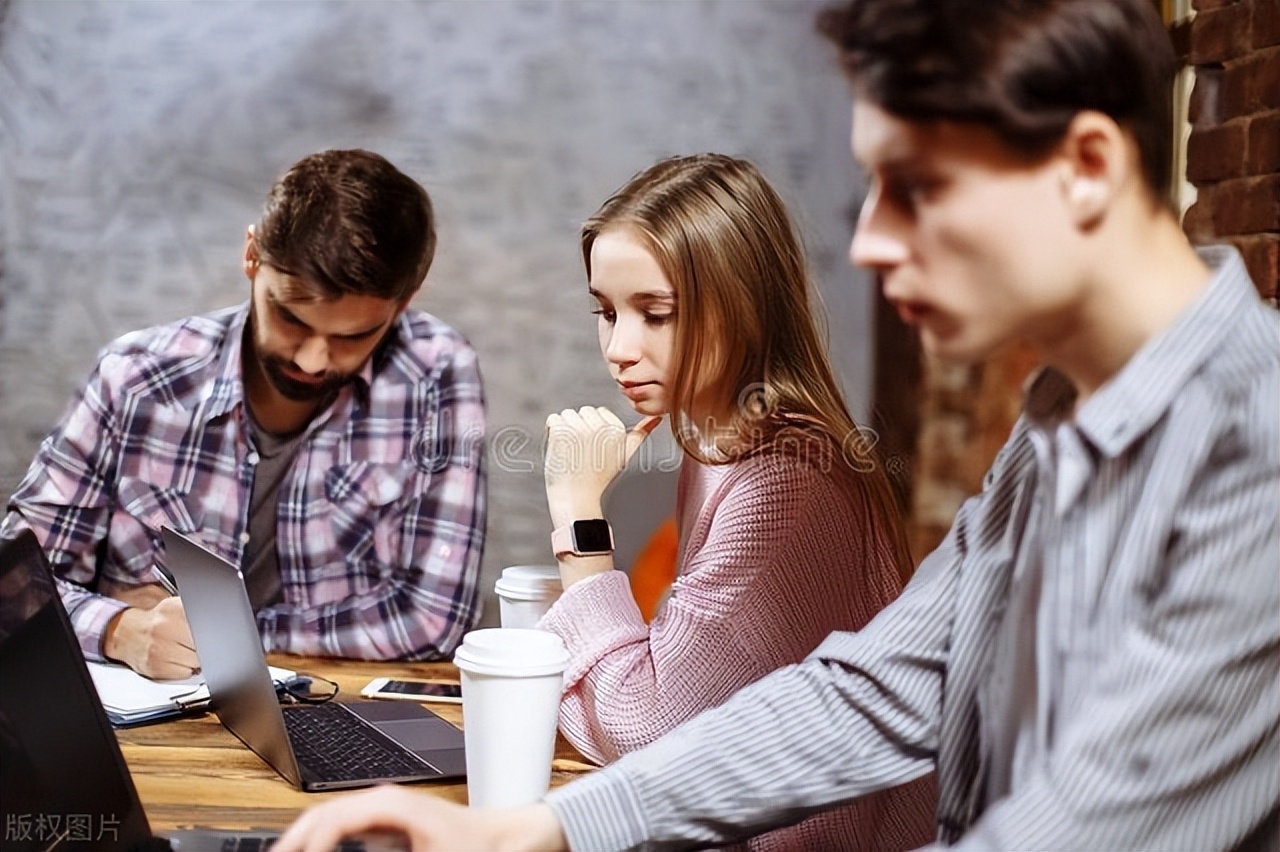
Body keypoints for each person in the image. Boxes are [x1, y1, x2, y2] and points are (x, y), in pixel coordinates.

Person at [277, 0, 1279, 848]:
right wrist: (546, 829)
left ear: (1086, 167)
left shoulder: (1257, 445)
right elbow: (874, 691)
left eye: (915, 187)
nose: (871, 242)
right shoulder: (1058, 421)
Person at [536, 153, 936, 850]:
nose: (618, 349)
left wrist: (578, 511)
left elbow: (644, 731)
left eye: (655, 314)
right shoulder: (716, 444)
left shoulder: (787, 483)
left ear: (744, 309)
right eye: (606, 312)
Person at [0, 149, 488, 680]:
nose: (312, 359)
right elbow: (14, 585)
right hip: (151, 714)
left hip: (328, 707)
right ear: (252, 255)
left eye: (353, 337)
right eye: (291, 318)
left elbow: (434, 618)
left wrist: (230, 629)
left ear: (404, 302)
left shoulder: (437, 371)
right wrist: (120, 630)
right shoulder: (135, 377)